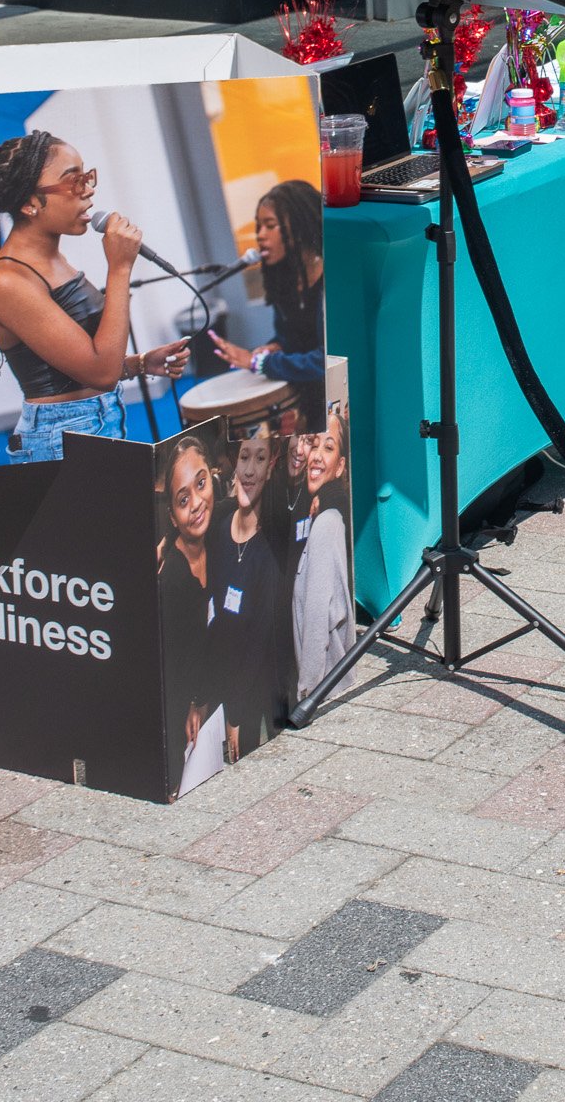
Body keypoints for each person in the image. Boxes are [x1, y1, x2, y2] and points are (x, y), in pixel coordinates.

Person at [0, 132, 188, 464]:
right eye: (73, 181)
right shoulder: (9, 281)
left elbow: (77, 365)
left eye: (87, 176)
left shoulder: (51, 259)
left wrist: (139, 363)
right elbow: (101, 373)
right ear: (29, 203)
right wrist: (119, 268)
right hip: (59, 441)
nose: (89, 190)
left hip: (94, 422)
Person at [208, 181, 324, 414]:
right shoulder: (285, 279)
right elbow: (295, 339)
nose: (260, 236)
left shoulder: (333, 278)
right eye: (258, 226)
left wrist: (258, 363)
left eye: (270, 226)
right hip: (309, 392)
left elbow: (328, 359)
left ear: (299, 228)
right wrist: (276, 346)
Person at [208, 419, 284, 761]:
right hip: (215, 692)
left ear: (271, 466)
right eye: (244, 457)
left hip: (250, 701)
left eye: (260, 458)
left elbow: (257, 641)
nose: (250, 470)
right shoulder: (219, 529)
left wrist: (236, 716)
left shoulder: (268, 549)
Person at [157, 432, 224, 794]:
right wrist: (196, 701)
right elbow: (176, 666)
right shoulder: (173, 579)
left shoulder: (221, 533)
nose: (197, 503)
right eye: (183, 500)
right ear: (172, 515)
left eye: (201, 484)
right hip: (184, 715)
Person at [293, 404, 356, 707]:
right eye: (314, 444)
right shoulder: (321, 512)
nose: (317, 455)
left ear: (341, 466)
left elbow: (318, 619)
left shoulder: (326, 524)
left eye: (328, 448)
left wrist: (307, 692)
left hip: (324, 691)